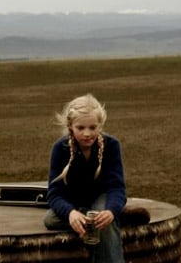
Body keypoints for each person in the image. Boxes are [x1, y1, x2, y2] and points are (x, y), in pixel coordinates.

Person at [43, 94, 127, 263]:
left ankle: (109, 218)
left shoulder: (111, 145)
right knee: (50, 220)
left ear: (100, 125)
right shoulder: (61, 148)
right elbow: (54, 194)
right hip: (74, 203)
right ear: (70, 126)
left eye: (93, 127)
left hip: (102, 199)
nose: (87, 133)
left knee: (104, 223)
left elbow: (117, 187)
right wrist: (71, 214)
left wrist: (110, 210)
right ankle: (97, 217)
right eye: (80, 128)